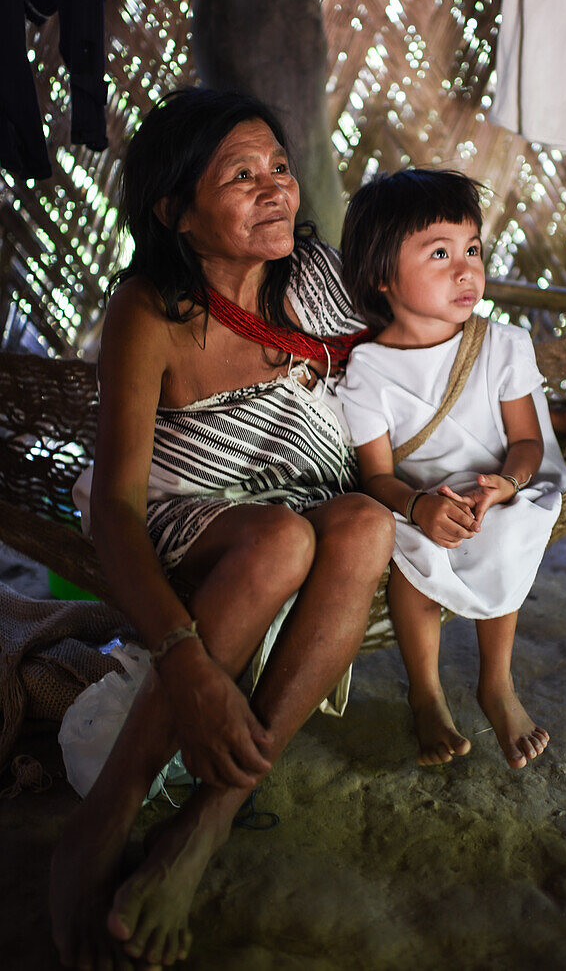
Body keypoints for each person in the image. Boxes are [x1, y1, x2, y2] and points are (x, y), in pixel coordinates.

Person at [49, 87, 395, 971]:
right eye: (241, 176)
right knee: (280, 540)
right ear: (177, 212)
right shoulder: (152, 312)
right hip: (186, 515)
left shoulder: (317, 278)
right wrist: (187, 662)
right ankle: (105, 821)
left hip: (303, 501)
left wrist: (537, 427)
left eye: (278, 166)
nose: (276, 188)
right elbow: (119, 509)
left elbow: (431, 346)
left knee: (358, 524)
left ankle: (208, 821)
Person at [336, 169, 566, 770]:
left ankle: (496, 684)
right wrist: (419, 507)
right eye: (439, 253)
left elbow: (526, 443)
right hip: (414, 502)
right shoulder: (367, 370)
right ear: (382, 275)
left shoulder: (503, 346)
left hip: (497, 492)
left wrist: (507, 485)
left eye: (472, 248)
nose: (466, 268)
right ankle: (426, 696)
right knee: (412, 556)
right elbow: (377, 478)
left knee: (507, 533)